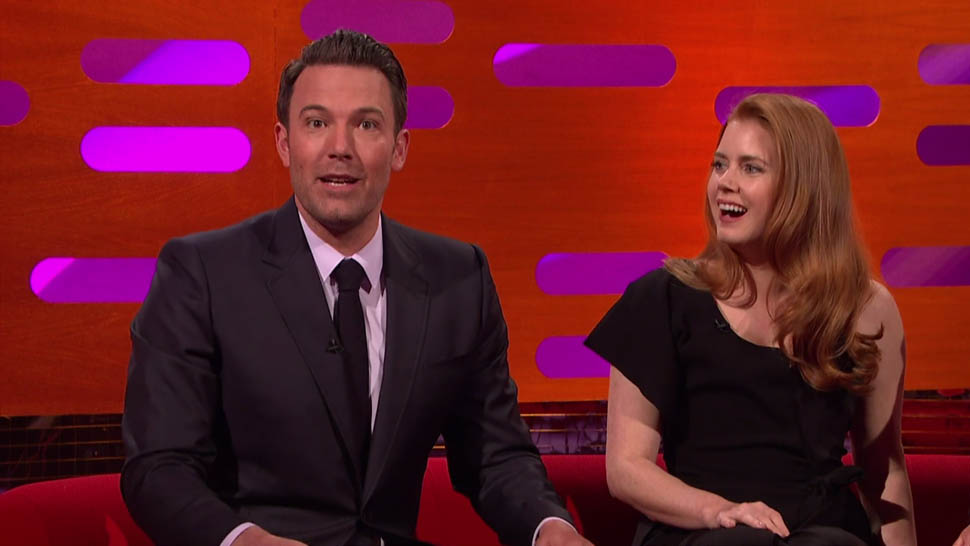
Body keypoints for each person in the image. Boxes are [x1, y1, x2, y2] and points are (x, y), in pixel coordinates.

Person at [121, 29, 591, 546]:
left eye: (366, 124)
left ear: (399, 148)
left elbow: (495, 456)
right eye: (317, 123)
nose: (340, 148)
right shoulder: (203, 274)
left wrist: (551, 529)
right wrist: (243, 540)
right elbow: (159, 467)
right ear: (284, 142)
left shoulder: (459, 278)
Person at [585, 94, 917, 545]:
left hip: (820, 531)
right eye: (719, 165)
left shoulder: (865, 309)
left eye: (751, 168)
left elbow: (884, 469)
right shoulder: (662, 299)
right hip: (701, 529)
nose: (725, 183)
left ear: (804, 187)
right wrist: (721, 511)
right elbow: (626, 469)